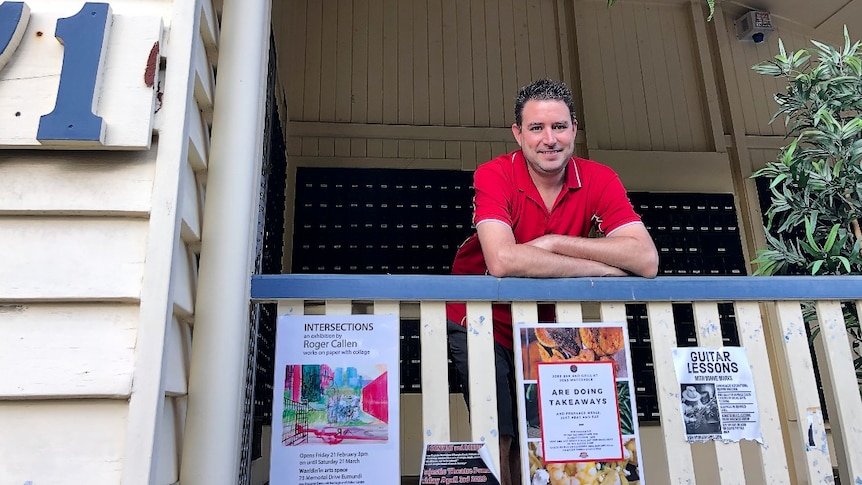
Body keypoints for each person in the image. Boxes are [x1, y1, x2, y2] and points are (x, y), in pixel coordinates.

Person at [446, 79, 658, 485]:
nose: (549, 140)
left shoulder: (598, 178)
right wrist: (603, 266)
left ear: (574, 129)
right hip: (480, 319)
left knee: (558, 434)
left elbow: (645, 259)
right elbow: (503, 260)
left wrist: (554, 243)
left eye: (559, 127)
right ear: (518, 134)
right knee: (501, 432)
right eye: (537, 128)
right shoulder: (494, 174)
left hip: (549, 325)